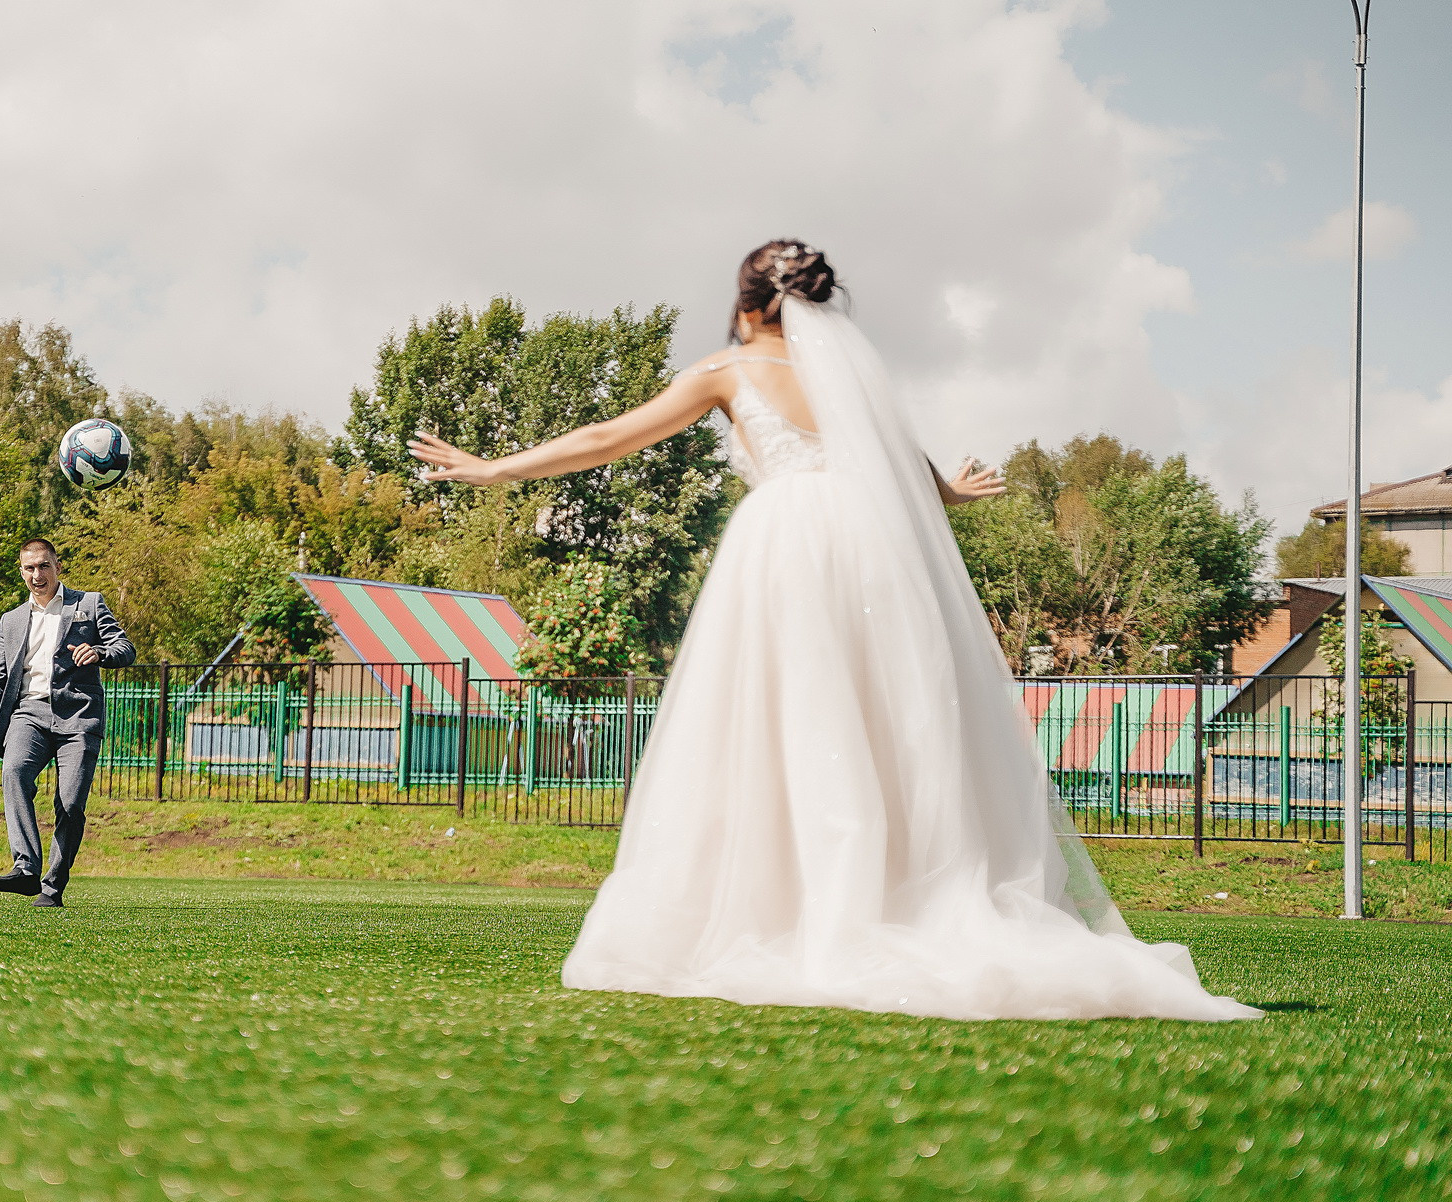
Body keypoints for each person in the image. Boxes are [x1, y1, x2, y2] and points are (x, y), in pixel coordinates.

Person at [408, 240, 1258, 1021]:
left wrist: (497, 467)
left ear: (746, 308)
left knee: (782, 726)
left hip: (784, 548)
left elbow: (606, 436)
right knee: (885, 728)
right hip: (870, 551)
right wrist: (949, 493)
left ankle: (802, 912)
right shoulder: (855, 379)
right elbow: (903, 467)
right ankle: (893, 900)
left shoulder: (727, 370)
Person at [0, 538, 135, 909]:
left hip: (78, 719)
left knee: (69, 804)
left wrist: (100, 653)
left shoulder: (88, 604)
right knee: (15, 772)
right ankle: (26, 869)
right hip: (28, 714)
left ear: (57, 566)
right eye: (29, 568)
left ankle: (52, 886)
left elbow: (125, 649)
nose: (37, 575)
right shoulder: (11, 620)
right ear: (21, 571)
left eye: (43, 566)